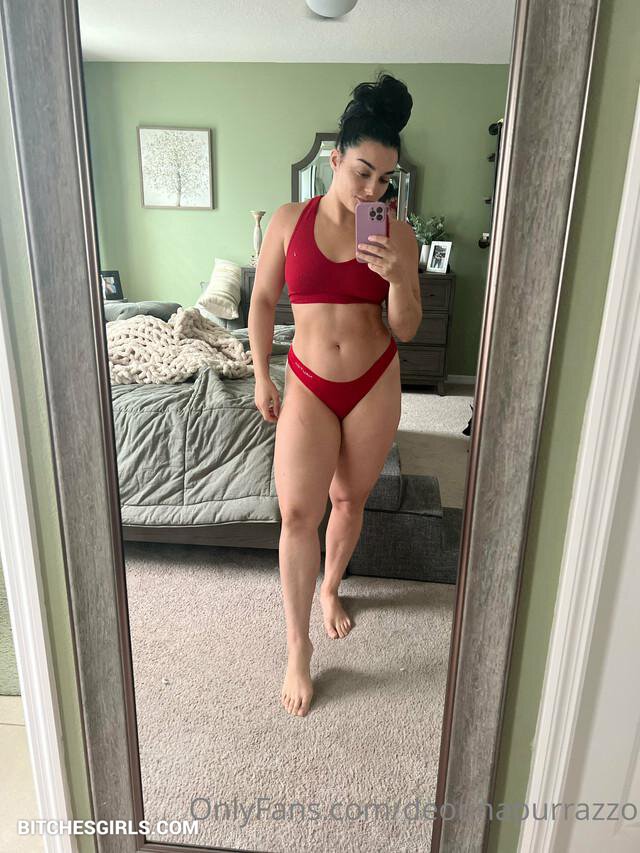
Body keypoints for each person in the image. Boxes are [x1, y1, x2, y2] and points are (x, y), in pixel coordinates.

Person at [248, 71, 422, 717]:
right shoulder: (288, 221)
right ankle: (298, 646)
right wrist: (261, 373)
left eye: (385, 180)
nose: (373, 190)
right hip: (309, 381)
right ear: (334, 160)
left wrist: (399, 277)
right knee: (298, 514)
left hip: (374, 379)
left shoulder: (395, 233)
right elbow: (262, 300)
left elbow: (406, 327)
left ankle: (331, 587)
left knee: (349, 499)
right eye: (362, 172)